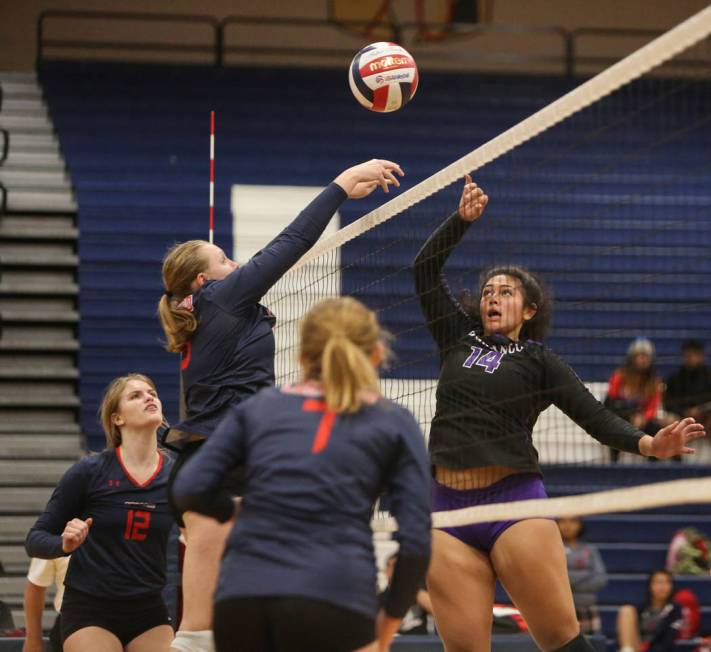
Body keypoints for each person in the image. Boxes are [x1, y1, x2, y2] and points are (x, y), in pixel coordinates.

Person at [413, 175, 705, 652]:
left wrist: (650, 444)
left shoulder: (541, 361)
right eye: (488, 290)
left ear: (529, 309)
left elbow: (596, 417)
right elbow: (424, 269)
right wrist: (459, 222)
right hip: (445, 510)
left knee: (560, 640)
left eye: (506, 292)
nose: (493, 296)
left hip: (514, 504)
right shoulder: (456, 339)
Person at [157, 159, 404, 652]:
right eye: (223, 260)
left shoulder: (210, 316)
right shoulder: (222, 300)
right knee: (203, 629)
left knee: (225, 620)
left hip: (212, 461)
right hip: (226, 463)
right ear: (203, 284)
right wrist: (338, 186)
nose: (234, 266)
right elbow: (289, 244)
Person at [172, 297, 432, 652]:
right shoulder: (393, 420)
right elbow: (417, 542)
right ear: (374, 355)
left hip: (243, 597)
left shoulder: (259, 407)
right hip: (336, 595)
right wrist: (386, 626)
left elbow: (189, 488)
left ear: (301, 356)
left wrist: (233, 512)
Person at [25, 374, 174, 652]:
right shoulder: (89, 472)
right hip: (90, 608)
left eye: (152, 392)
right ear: (117, 418)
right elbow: (34, 539)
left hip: (148, 608)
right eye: (136, 395)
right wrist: (64, 544)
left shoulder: (176, 475)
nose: (149, 397)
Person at [604, 338, 670, 462]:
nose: (643, 360)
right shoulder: (619, 376)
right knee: (615, 426)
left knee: (655, 429)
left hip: (642, 420)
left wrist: (643, 418)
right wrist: (630, 415)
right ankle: (614, 462)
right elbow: (610, 401)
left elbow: (652, 406)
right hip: (622, 417)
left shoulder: (654, 382)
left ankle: (653, 464)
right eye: (639, 356)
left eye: (646, 356)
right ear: (632, 358)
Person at [557, 517, 607, 635]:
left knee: (591, 645)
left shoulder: (590, 550)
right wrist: (587, 574)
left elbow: (600, 580)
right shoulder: (552, 549)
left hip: (587, 608)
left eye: (572, 521)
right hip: (560, 608)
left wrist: (568, 581)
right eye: (563, 521)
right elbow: (554, 578)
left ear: (580, 524)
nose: (567, 525)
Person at [616, 569, 683, 652]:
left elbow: (668, 640)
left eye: (666, 582)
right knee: (626, 610)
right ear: (650, 585)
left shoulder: (675, 609)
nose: (662, 587)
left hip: (658, 650)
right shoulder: (642, 607)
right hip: (637, 647)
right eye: (658, 582)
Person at [22, 556, 69, 652]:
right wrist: (33, 639)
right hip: (68, 622)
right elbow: (36, 586)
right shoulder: (52, 541)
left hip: (106, 616)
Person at [664, 339, 711, 430]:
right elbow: (668, 402)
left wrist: (701, 409)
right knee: (668, 420)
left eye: (695, 355)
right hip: (680, 415)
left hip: (706, 414)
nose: (692, 358)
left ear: (702, 356)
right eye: (688, 355)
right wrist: (683, 412)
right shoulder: (674, 378)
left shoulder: (709, 376)